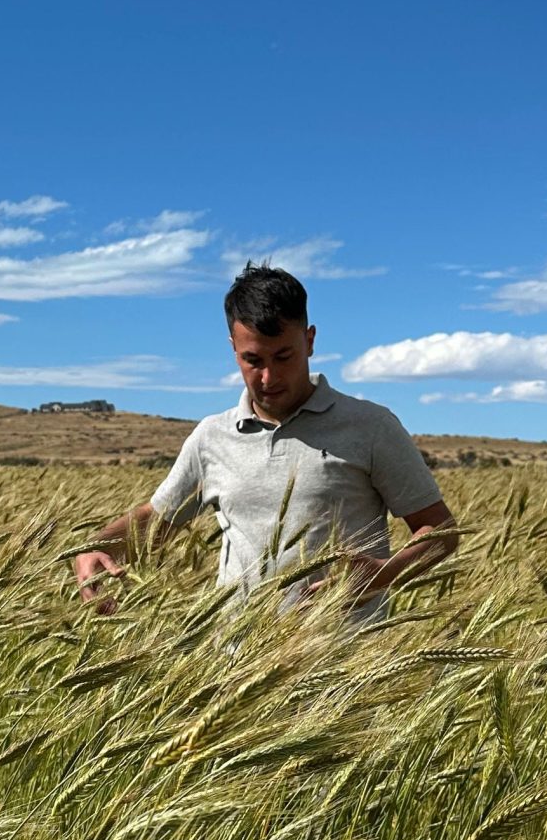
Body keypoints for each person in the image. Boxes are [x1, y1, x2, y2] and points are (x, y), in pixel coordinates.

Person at [72, 264, 457, 616]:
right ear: (233, 349)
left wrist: (384, 574)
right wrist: (96, 548)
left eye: (284, 356)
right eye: (253, 361)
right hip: (236, 659)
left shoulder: (370, 426)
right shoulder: (211, 437)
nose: (269, 378)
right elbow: (158, 520)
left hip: (344, 660)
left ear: (310, 340)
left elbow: (441, 530)